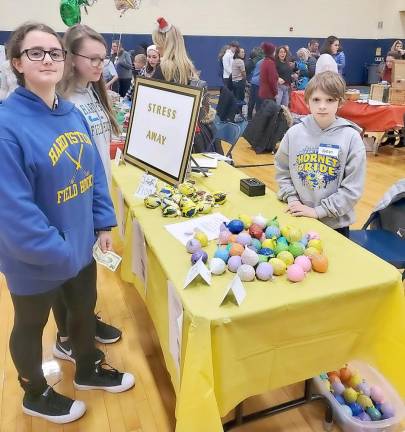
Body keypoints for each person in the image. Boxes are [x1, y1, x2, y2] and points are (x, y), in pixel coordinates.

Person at [0, 21, 135, 424]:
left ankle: (89, 368)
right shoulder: (7, 124)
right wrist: (58, 255)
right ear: (17, 63)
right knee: (31, 323)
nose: (48, 59)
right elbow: (13, 209)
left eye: (55, 52)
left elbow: (92, 173)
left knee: (82, 311)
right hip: (36, 256)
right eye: (35, 53)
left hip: (78, 246)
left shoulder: (71, 112)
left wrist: (104, 224)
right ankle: (35, 393)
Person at [56, 24, 122, 361]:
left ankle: (84, 321)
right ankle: (66, 336)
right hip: (72, 200)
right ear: (71, 57)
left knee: (86, 274)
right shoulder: (60, 98)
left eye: (103, 58)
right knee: (70, 275)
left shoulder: (93, 91)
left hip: (95, 193)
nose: (100, 65)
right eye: (93, 58)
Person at [275, 71, 366, 237]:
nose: (322, 106)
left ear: (340, 102)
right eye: (316, 99)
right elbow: (282, 171)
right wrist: (292, 199)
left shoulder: (351, 138)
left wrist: (319, 211)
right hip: (298, 216)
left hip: (335, 225)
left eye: (330, 100)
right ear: (307, 101)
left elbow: (352, 188)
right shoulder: (294, 133)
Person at [152, 17, 199, 85]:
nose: (156, 48)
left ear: (165, 44)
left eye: (158, 44)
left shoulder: (164, 69)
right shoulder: (188, 67)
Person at [232, 46, 246, 120]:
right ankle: (238, 115)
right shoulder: (240, 61)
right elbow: (243, 73)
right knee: (240, 99)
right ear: (238, 53)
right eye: (242, 52)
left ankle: (236, 114)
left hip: (234, 82)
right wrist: (245, 80)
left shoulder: (234, 60)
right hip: (239, 82)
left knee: (236, 99)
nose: (244, 53)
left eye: (244, 52)